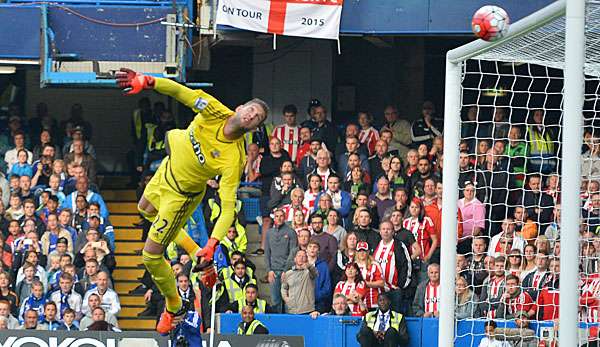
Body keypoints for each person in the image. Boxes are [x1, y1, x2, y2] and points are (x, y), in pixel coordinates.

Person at [115, 67, 269, 333]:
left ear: (253, 128)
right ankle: (193, 249)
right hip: (168, 168)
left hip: (182, 195)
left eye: (257, 119)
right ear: (241, 107)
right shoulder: (212, 109)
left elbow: (228, 207)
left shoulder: (234, 159)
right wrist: (147, 81)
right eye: (252, 110)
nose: (252, 116)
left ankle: (174, 305)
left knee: (151, 256)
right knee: (145, 209)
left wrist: (212, 244)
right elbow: (179, 91)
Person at [265, 209, 297, 313]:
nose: (279, 218)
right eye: (277, 216)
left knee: (288, 300)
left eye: (281, 216)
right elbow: (267, 253)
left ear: (285, 217)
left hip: (287, 271)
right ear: (274, 218)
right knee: (275, 300)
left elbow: (293, 253)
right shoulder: (269, 233)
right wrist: (269, 270)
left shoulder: (291, 232)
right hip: (273, 271)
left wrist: (286, 270)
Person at [281, 249, 317, 314]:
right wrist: (286, 299)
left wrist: (308, 266)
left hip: (307, 310)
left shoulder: (308, 272)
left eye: (304, 256)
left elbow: (314, 273)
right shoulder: (288, 273)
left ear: (307, 259)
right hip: (291, 310)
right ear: (295, 259)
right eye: (299, 256)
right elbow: (284, 288)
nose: (301, 258)